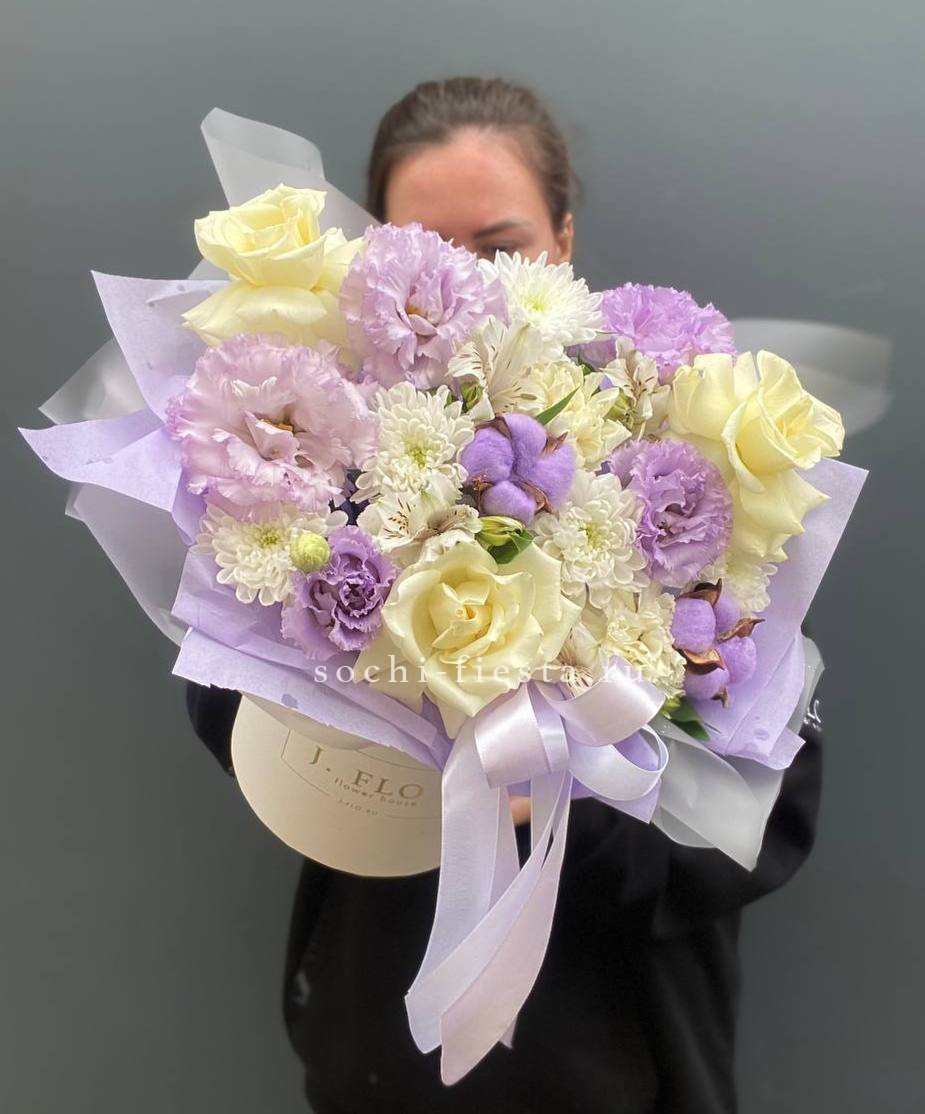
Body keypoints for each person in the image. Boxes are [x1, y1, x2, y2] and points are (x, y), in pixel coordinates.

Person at [186, 77, 824, 1114]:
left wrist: (537, 784)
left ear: (560, 243)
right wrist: (364, 715)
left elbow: (767, 815)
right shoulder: (313, 452)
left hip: (619, 1066)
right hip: (378, 1059)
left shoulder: (680, 477)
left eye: (499, 245)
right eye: (428, 250)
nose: (464, 286)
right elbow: (221, 698)